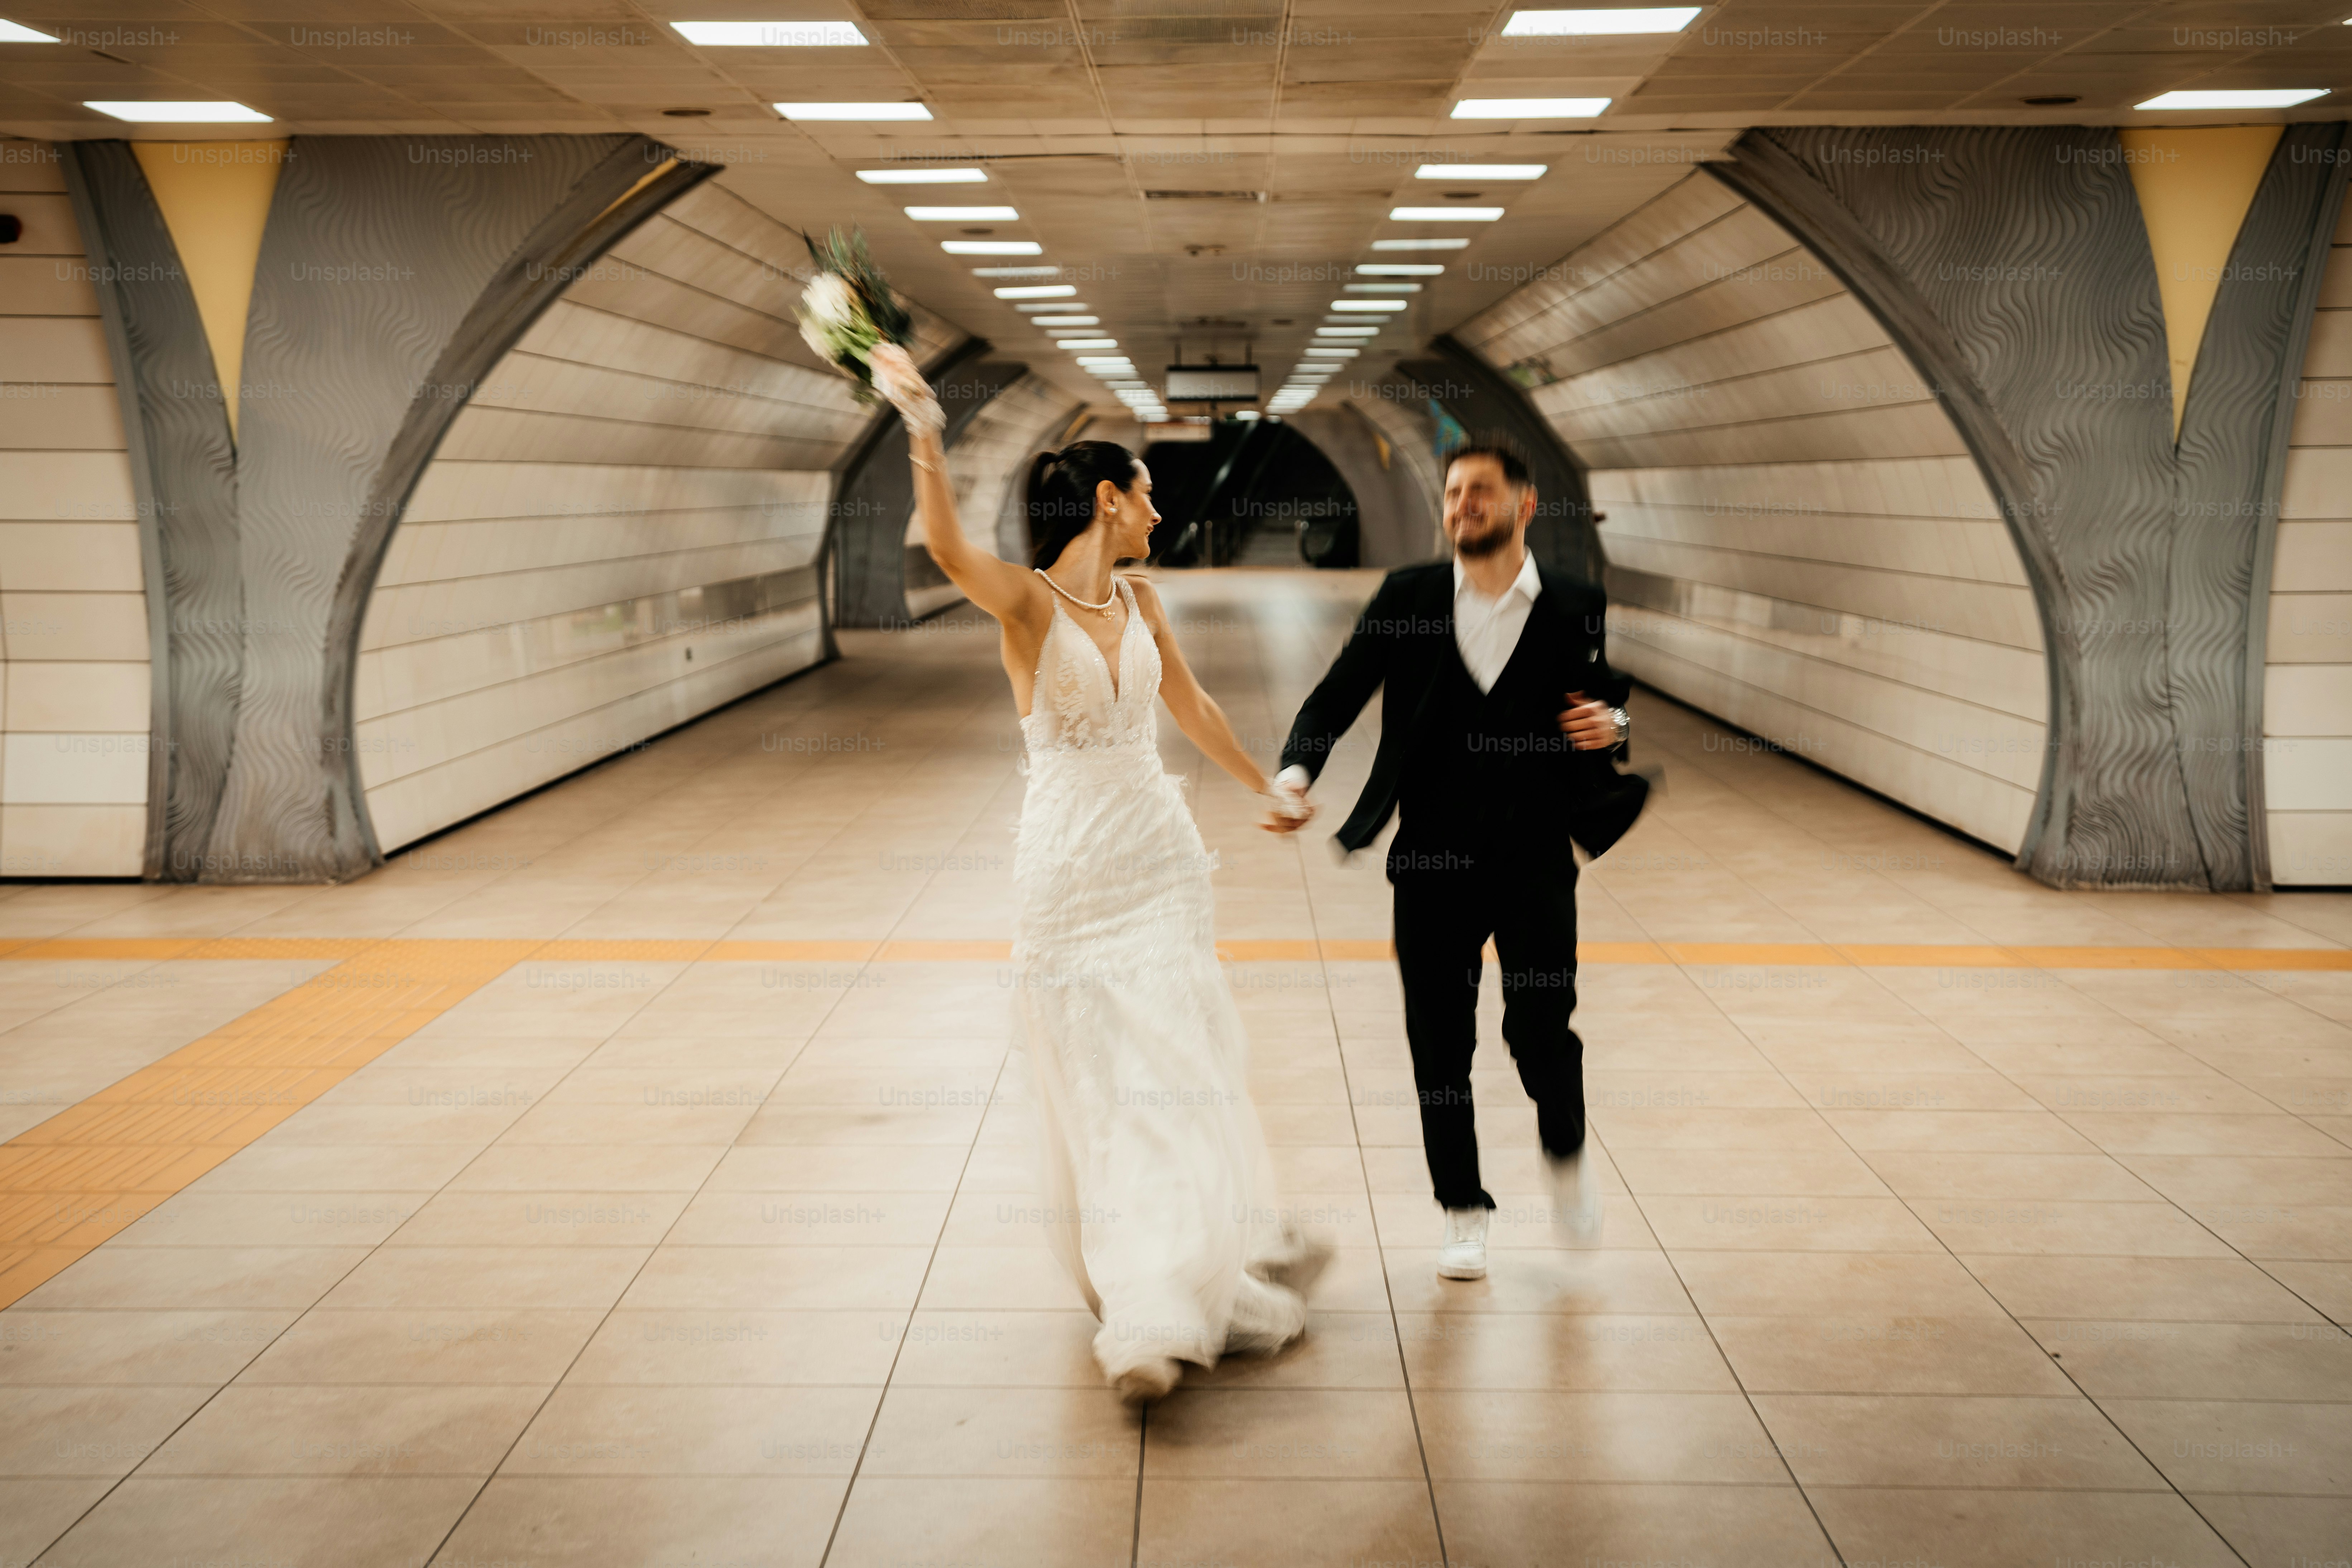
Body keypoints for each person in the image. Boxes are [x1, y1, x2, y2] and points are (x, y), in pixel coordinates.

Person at [868, 344, 1324, 1406]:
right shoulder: (1026, 608)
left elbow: (1193, 709)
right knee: (1108, 1084)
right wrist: (924, 431)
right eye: (1149, 497)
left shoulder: (1143, 602)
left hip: (1159, 862)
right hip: (1071, 874)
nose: (1160, 514)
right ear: (1108, 500)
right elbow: (940, 544)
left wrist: (1268, 783)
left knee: (1177, 1059)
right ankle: (1146, 1296)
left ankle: (1188, 1262)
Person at [1266, 443, 1644, 1282]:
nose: (1463, 504)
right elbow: (1336, 694)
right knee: (1438, 1045)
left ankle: (1566, 1148)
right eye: (1452, 492)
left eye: (1481, 491)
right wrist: (1296, 772)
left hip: (1535, 858)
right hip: (1430, 861)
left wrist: (1611, 728)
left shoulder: (1574, 602)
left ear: (1525, 505)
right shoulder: (1407, 598)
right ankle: (1462, 1207)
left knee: (1539, 1030)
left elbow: (1603, 696)